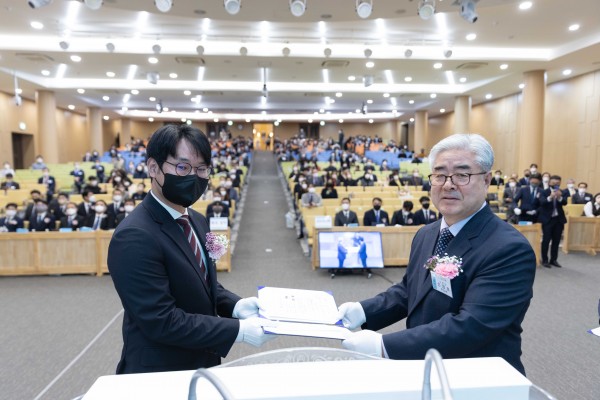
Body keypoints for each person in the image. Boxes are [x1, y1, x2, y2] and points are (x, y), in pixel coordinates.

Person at [338, 133, 536, 376]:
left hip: (477, 377)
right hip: (424, 366)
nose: (448, 184)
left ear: (486, 180)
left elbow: (471, 326)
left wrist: (383, 345)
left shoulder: (508, 249)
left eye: (462, 175)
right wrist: (363, 310)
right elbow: (411, 290)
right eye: (440, 175)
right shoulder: (427, 233)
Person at [108, 124, 273, 374]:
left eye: (202, 169)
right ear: (153, 168)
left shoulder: (197, 219)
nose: (194, 177)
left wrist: (235, 306)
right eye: (183, 167)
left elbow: (203, 282)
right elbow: (161, 320)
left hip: (202, 360)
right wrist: (238, 331)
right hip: (160, 372)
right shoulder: (134, 236)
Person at [538, 175, 567, 268]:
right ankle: (545, 260)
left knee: (556, 240)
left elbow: (565, 202)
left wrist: (559, 197)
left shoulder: (562, 191)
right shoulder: (543, 191)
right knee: (546, 240)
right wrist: (550, 197)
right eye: (553, 183)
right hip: (547, 220)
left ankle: (553, 260)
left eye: (557, 183)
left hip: (558, 220)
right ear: (549, 182)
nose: (555, 184)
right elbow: (542, 202)